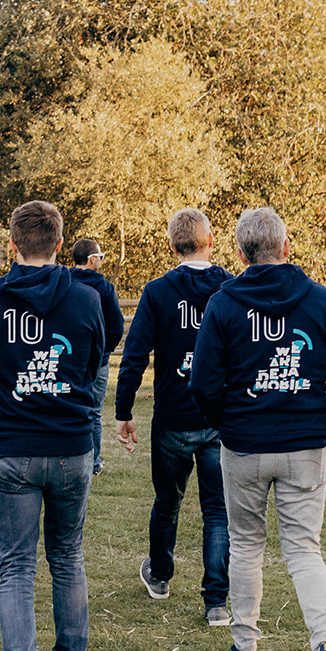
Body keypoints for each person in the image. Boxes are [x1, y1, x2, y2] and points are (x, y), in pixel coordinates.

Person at [189, 207, 326, 651]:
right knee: (304, 549)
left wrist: (228, 423)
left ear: (241, 254)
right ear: (287, 247)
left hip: (245, 444)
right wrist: (322, 428)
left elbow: (202, 382)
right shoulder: (324, 303)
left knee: (245, 544)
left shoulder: (224, 305)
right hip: (303, 443)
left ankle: (245, 648)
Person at [0, 201, 105, 651]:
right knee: (67, 556)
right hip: (70, 443)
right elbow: (93, 361)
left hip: (14, 446)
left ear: (11, 245)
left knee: (16, 568)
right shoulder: (87, 297)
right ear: (58, 242)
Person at [113, 209, 233, 625]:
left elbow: (134, 356)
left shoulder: (158, 291)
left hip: (173, 415)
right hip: (220, 416)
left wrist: (123, 409)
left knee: (168, 501)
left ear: (171, 246)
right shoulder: (230, 288)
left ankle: (161, 575)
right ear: (211, 241)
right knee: (218, 509)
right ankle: (216, 600)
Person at [69, 239, 124, 474]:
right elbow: (116, 326)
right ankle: (92, 462)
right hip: (98, 360)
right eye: (100, 257)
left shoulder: (64, 282)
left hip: (69, 358)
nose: (101, 261)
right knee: (94, 412)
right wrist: (104, 349)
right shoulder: (104, 288)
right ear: (92, 258)